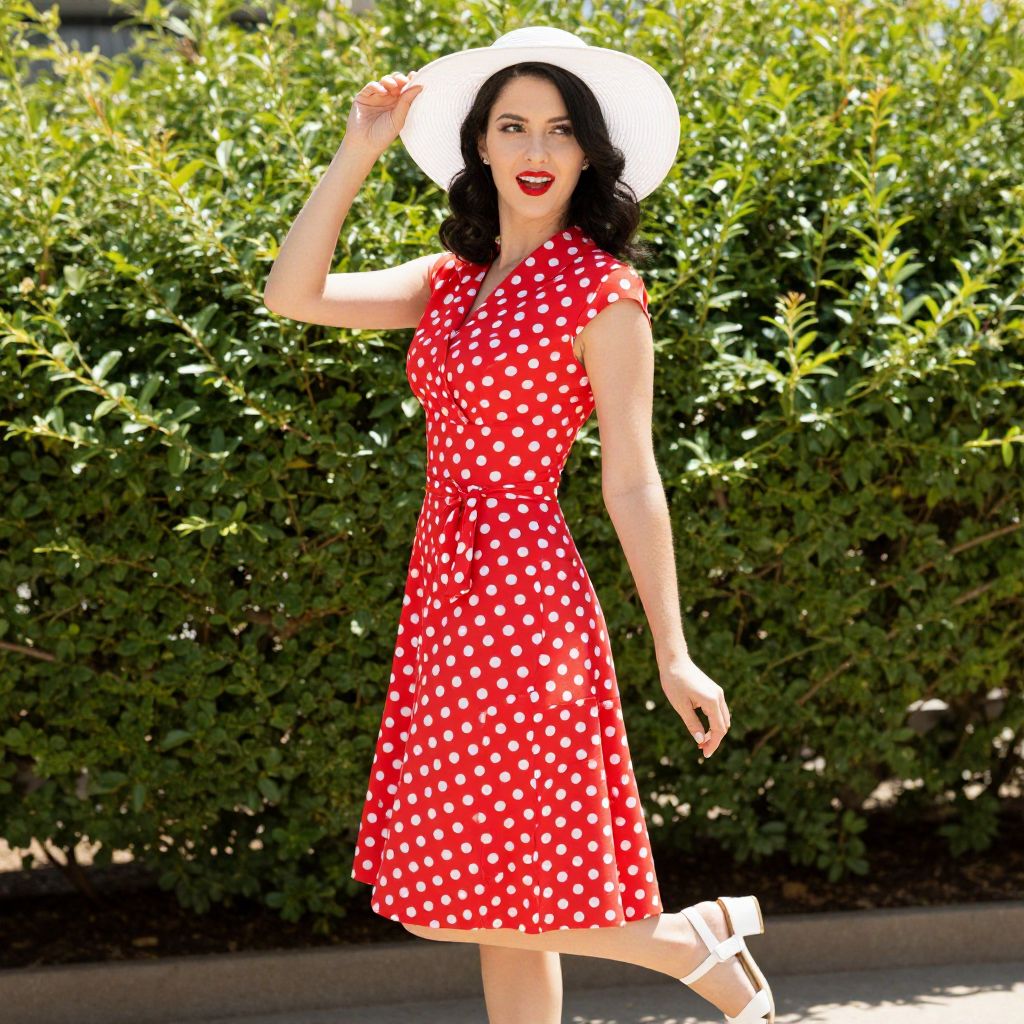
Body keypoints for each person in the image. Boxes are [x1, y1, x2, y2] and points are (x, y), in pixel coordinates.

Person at [263, 25, 774, 1024]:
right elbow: (293, 292)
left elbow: (633, 480)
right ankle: (688, 937)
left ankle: (685, 941)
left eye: (557, 130)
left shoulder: (603, 290)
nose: (535, 150)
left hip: (524, 592)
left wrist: (672, 651)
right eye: (512, 127)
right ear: (481, 147)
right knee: (492, 889)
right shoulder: (447, 278)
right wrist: (358, 147)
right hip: (443, 586)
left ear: (587, 152)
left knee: (487, 877)